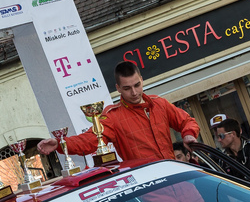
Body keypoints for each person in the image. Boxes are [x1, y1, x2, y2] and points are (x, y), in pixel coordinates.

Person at [36, 61, 199, 161]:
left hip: (176, 175)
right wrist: (61, 143)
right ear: (118, 88)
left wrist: (189, 134)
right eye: (127, 88)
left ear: (142, 80)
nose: (134, 92)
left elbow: (186, 121)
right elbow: (89, 140)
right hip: (150, 187)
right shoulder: (113, 116)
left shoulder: (159, 103)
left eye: (137, 85)